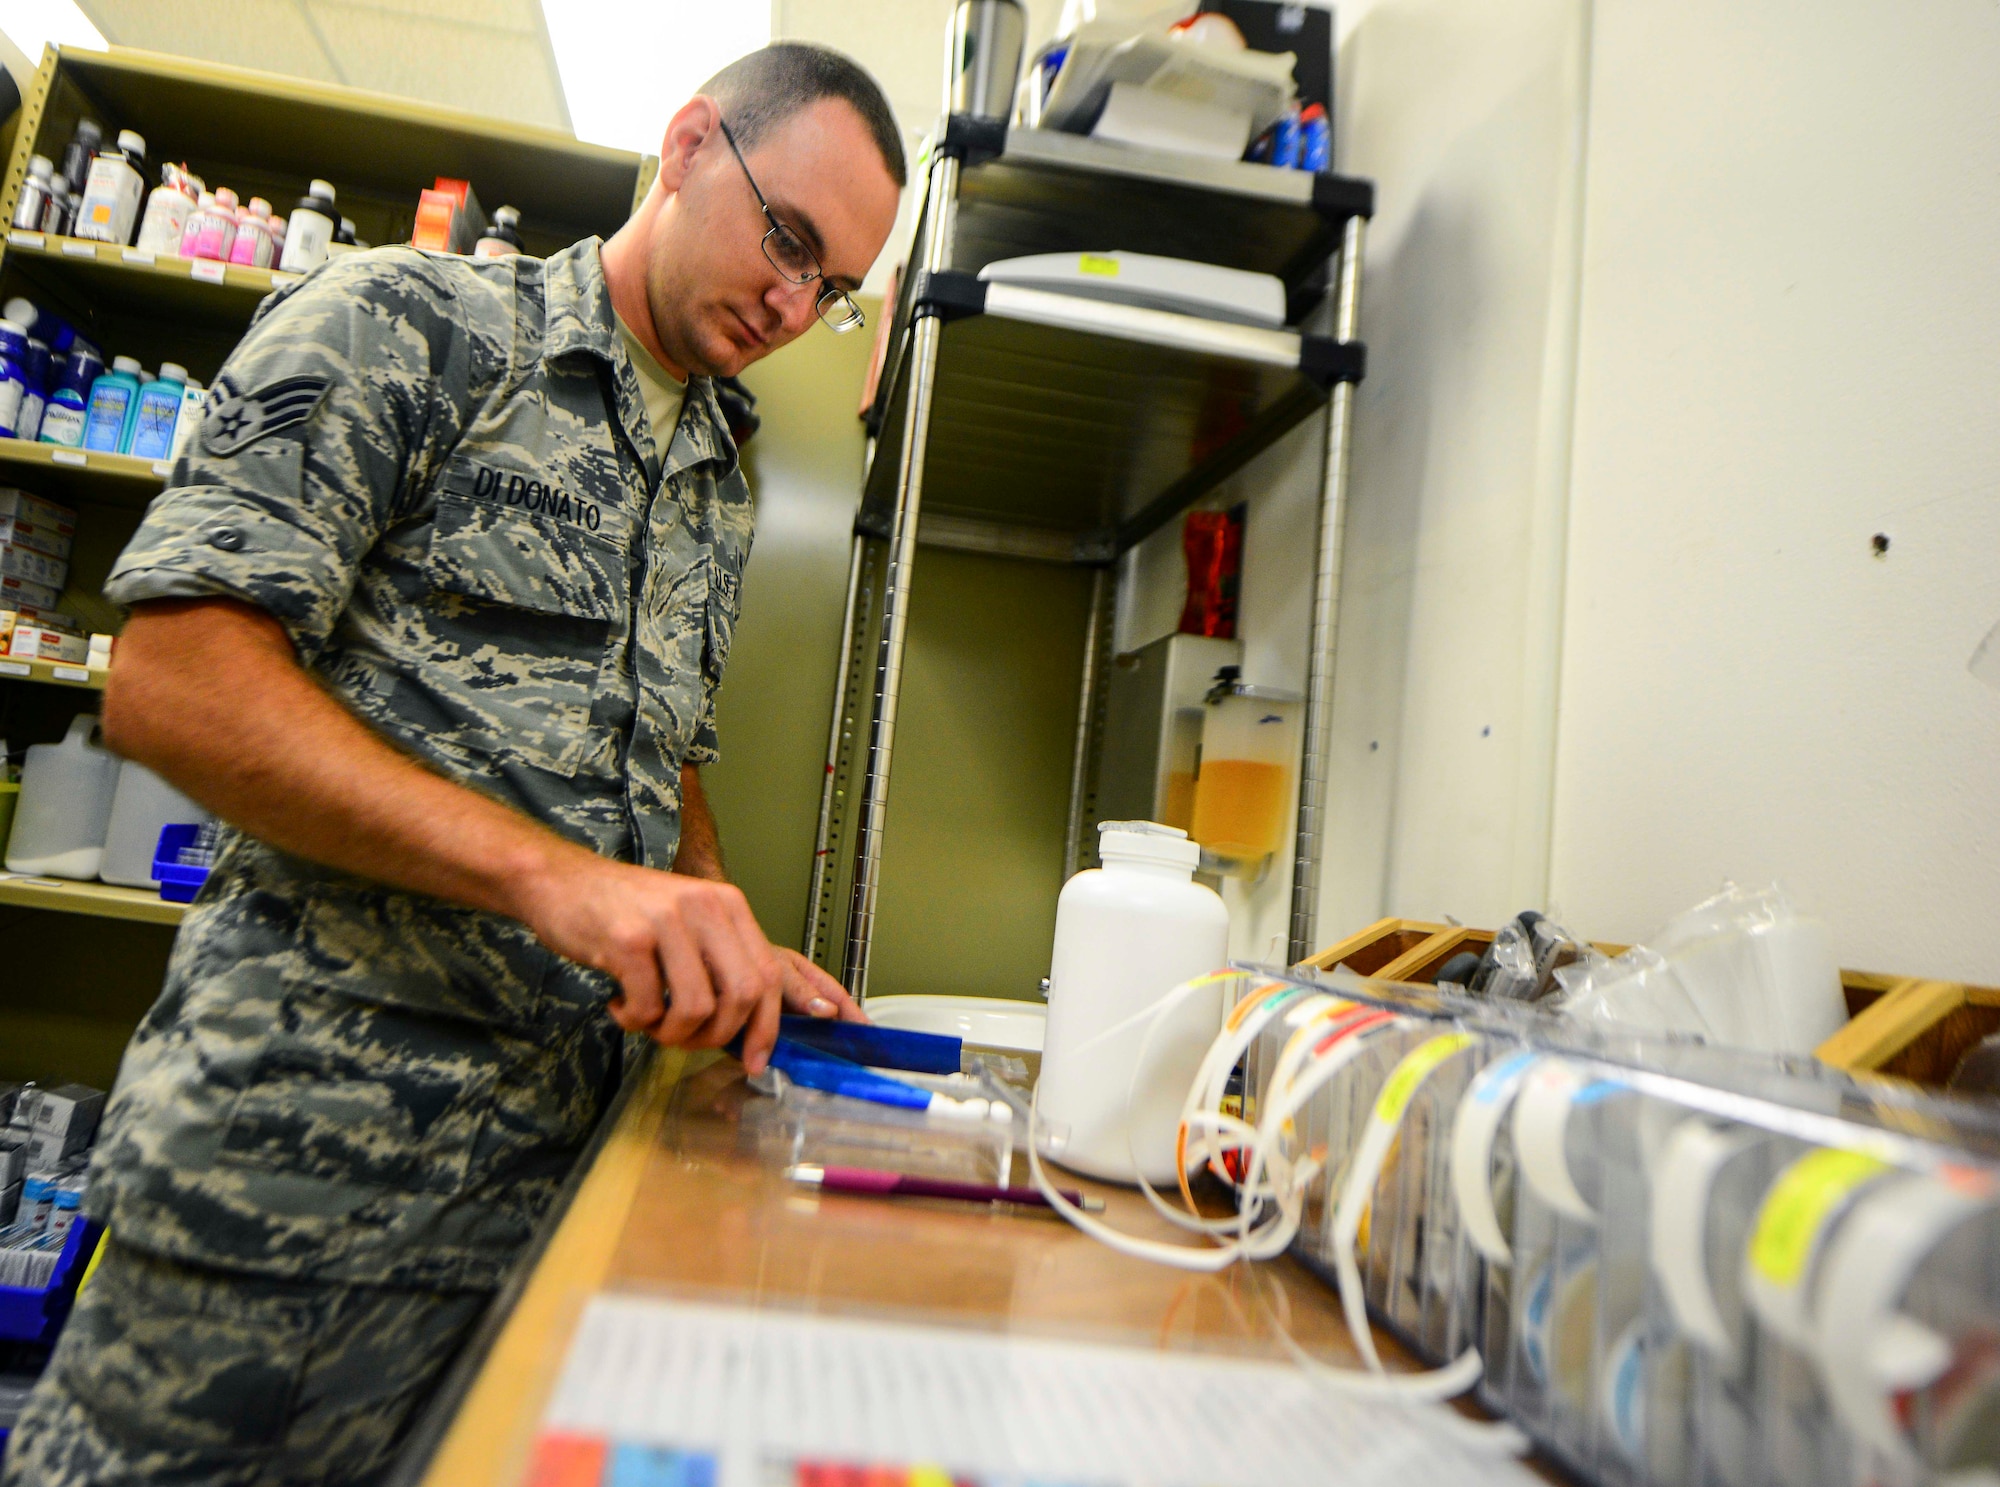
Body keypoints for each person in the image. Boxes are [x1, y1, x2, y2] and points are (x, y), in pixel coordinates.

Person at [2, 42, 905, 1487]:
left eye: (832, 286)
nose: (795, 305)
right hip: (296, 1196)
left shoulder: (722, 463)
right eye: (788, 241)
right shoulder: (406, 323)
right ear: (684, 148)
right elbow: (176, 685)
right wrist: (557, 884)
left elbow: (655, 747)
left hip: (551, 1202)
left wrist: (710, 921)